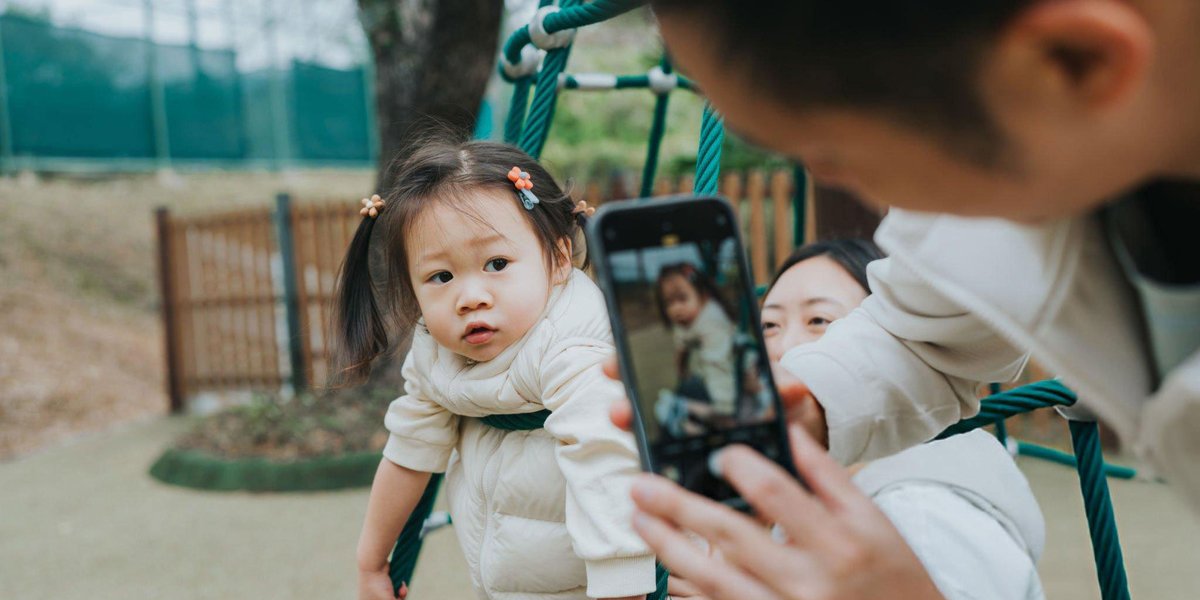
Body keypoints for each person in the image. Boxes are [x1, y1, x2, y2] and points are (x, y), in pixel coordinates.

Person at [607, 1, 1200, 598]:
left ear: (1074, 62)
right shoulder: (1031, 138)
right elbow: (921, 330)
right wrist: (812, 403)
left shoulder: (929, 514)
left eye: (830, 150)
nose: (830, 178)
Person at [334, 139, 654, 600]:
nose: (470, 297)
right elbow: (408, 452)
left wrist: (623, 592)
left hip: (602, 585)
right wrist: (370, 561)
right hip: (507, 579)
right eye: (441, 277)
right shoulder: (434, 353)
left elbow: (605, 469)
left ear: (560, 260)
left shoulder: (575, 350)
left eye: (497, 264)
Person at [760, 240, 1045, 600]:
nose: (785, 347)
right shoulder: (785, 497)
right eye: (768, 325)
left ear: (886, 341)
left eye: (819, 321)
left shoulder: (921, 510)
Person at [655, 262, 738, 435]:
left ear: (703, 296)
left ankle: (685, 416)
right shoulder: (688, 320)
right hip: (707, 382)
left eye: (682, 299)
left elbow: (719, 365)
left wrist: (725, 410)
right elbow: (681, 346)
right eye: (669, 303)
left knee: (673, 409)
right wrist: (681, 368)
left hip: (729, 385)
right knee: (685, 389)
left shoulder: (712, 321)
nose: (676, 309)